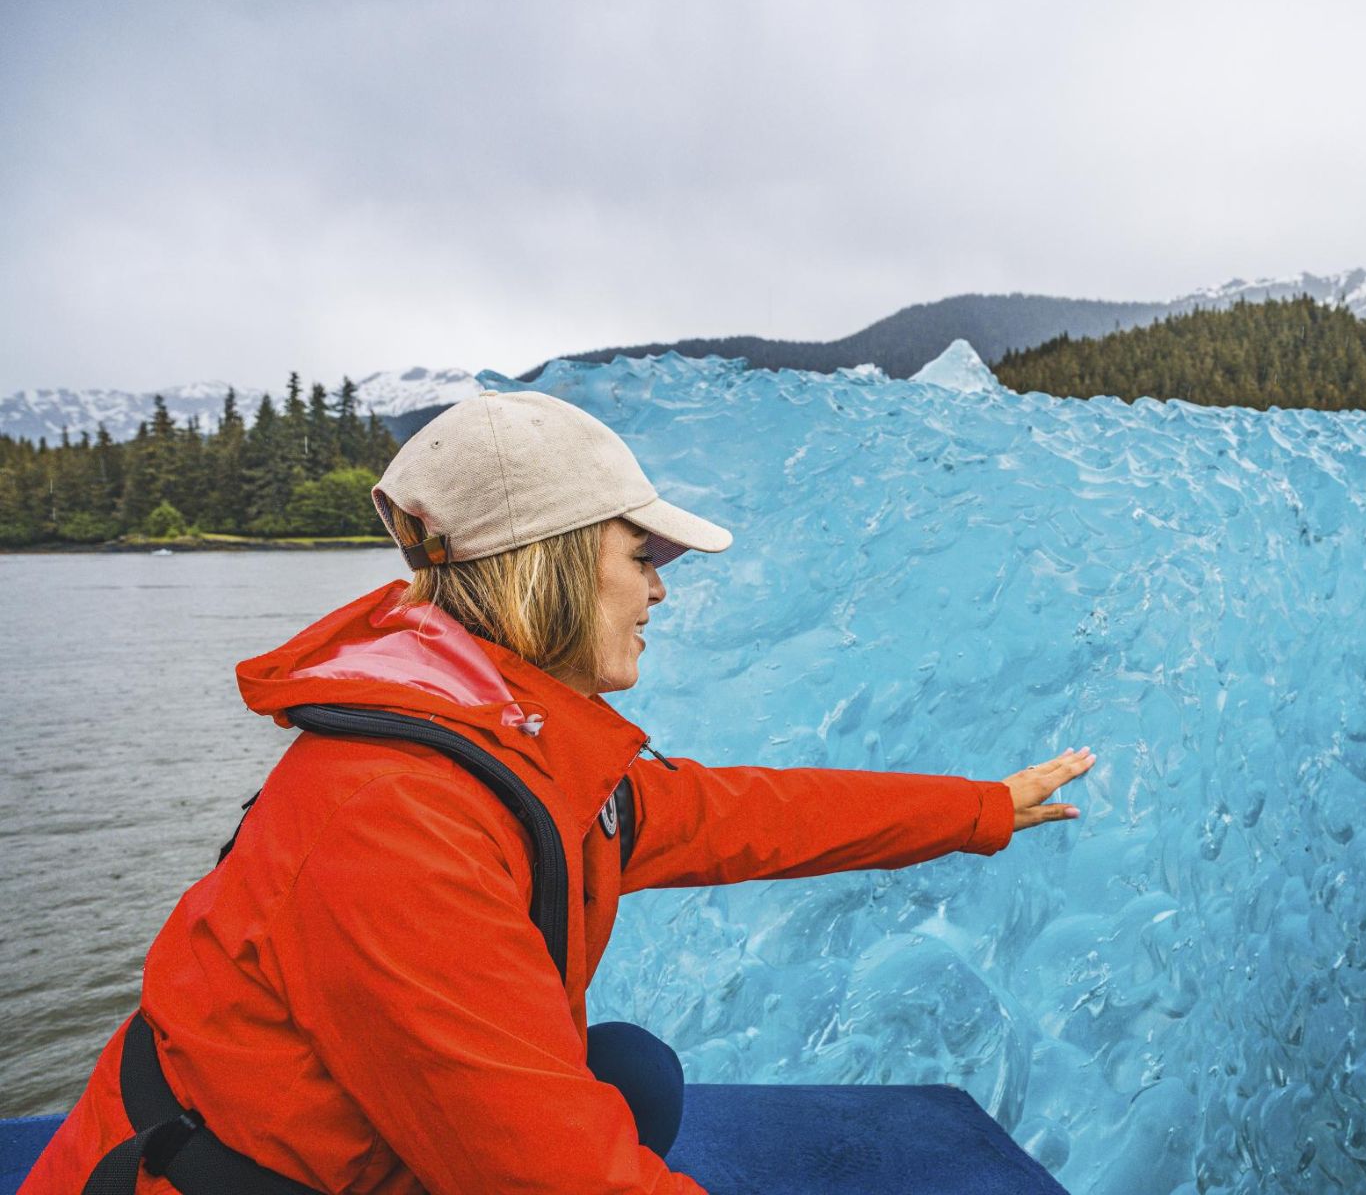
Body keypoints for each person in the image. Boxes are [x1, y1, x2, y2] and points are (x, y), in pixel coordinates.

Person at [23, 388, 1094, 1195]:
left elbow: (748, 816)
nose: (662, 587)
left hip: (338, 1147)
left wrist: (979, 808)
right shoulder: (395, 824)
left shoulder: (510, 744)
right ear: (559, 564)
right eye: (642, 553)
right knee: (613, 1095)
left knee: (632, 1073)